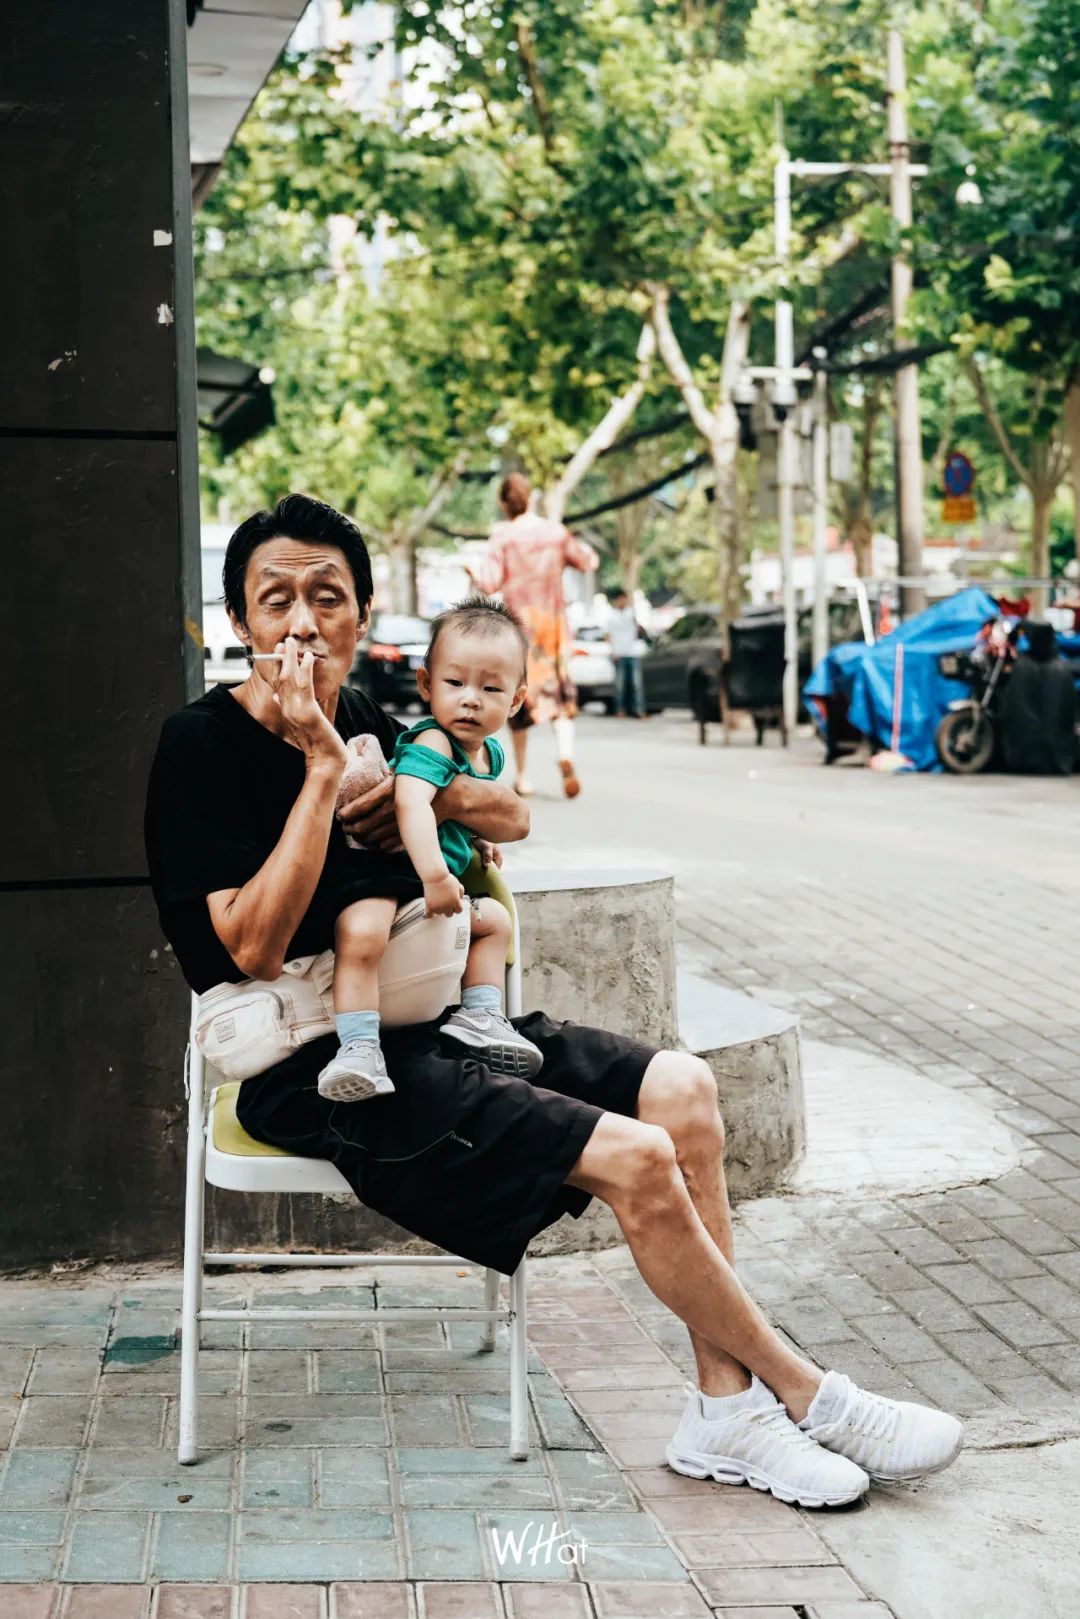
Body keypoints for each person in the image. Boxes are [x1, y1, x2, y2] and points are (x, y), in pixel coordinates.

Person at [145, 493, 963, 1509]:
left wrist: (424, 791)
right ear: (239, 622)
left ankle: (725, 1412)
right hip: (317, 1067)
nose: (304, 623)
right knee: (639, 1156)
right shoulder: (198, 745)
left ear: (363, 615)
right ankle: (809, 1393)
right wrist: (319, 774)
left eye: (329, 597)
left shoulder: (368, 719)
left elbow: (509, 813)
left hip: (433, 1020)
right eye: (278, 600)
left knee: (684, 1091)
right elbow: (249, 945)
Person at [317, 597, 544, 1103]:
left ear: (515, 700)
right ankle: (357, 1046)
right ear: (426, 684)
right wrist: (437, 875)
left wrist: (479, 836)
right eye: (455, 683)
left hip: (432, 891)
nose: (470, 700)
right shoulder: (433, 744)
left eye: (490, 689)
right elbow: (414, 804)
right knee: (361, 933)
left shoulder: (488, 752)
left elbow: (466, 807)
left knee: (496, 922)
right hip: (390, 870)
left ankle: (480, 1013)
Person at [466, 472, 598, 799]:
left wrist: (471, 571)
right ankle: (565, 754)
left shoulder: (503, 537)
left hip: (520, 633)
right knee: (560, 698)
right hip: (553, 631)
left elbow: (489, 582)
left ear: (503, 503)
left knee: (520, 701)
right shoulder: (555, 533)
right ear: (532, 498)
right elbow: (588, 561)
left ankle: (523, 776)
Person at [607, 587, 647, 718]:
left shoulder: (632, 613)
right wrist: (613, 650)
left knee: (636, 684)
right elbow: (608, 634)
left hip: (632, 652)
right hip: (619, 653)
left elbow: (640, 629)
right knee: (619, 684)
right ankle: (620, 709)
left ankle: (639, 709)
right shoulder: (612, 615)